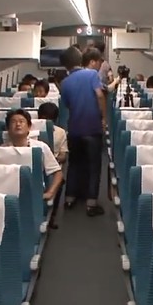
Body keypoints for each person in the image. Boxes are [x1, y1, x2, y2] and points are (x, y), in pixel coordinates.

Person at [60, 47, 106, 216]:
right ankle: (91, 203)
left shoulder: (64, 82)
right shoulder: (91, 74)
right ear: (80, 60)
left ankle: (69, 199)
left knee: (74, 164)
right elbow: (100, 95)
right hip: (92, 128)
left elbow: (66, 104)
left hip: (74, 129)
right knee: (94, 165)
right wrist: (103, 117)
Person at [2, 109, 63, 201]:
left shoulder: (41, 147)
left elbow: (57, 173)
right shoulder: (0, 151)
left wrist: (50, 193)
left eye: (21, 121)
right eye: (13, 122)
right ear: (8, 128)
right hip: (7, 193)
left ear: (29, 127)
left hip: (33, 193)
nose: (18, 124)